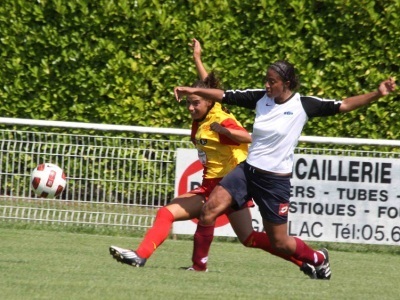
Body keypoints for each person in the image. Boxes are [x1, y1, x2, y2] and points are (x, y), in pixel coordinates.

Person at [174, 60, 397, 279]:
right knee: (209, 210)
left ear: (287, 82)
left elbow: (344, 104)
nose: (267, 86)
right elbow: (223, 95)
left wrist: (377, 93)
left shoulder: (303, 105)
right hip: (247, 171)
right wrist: (191, 90)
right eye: (266, 81)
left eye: (272, 81)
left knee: (280, 241)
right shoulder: (261, 98)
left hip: (274, 182)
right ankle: (198, 268)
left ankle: (318, 258)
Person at [109, 39, 311, 276]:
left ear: (209, 103)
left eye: (195, 103)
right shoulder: (204, 115)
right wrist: (197, 58)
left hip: (230, 185)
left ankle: (155, 258)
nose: (191, 108)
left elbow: (248, 137)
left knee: (177, 215)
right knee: (247, 238)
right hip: (214, 185)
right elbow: (206, 87)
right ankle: (306, 262)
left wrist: (226, 132)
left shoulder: (219, 118)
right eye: (189, 104)